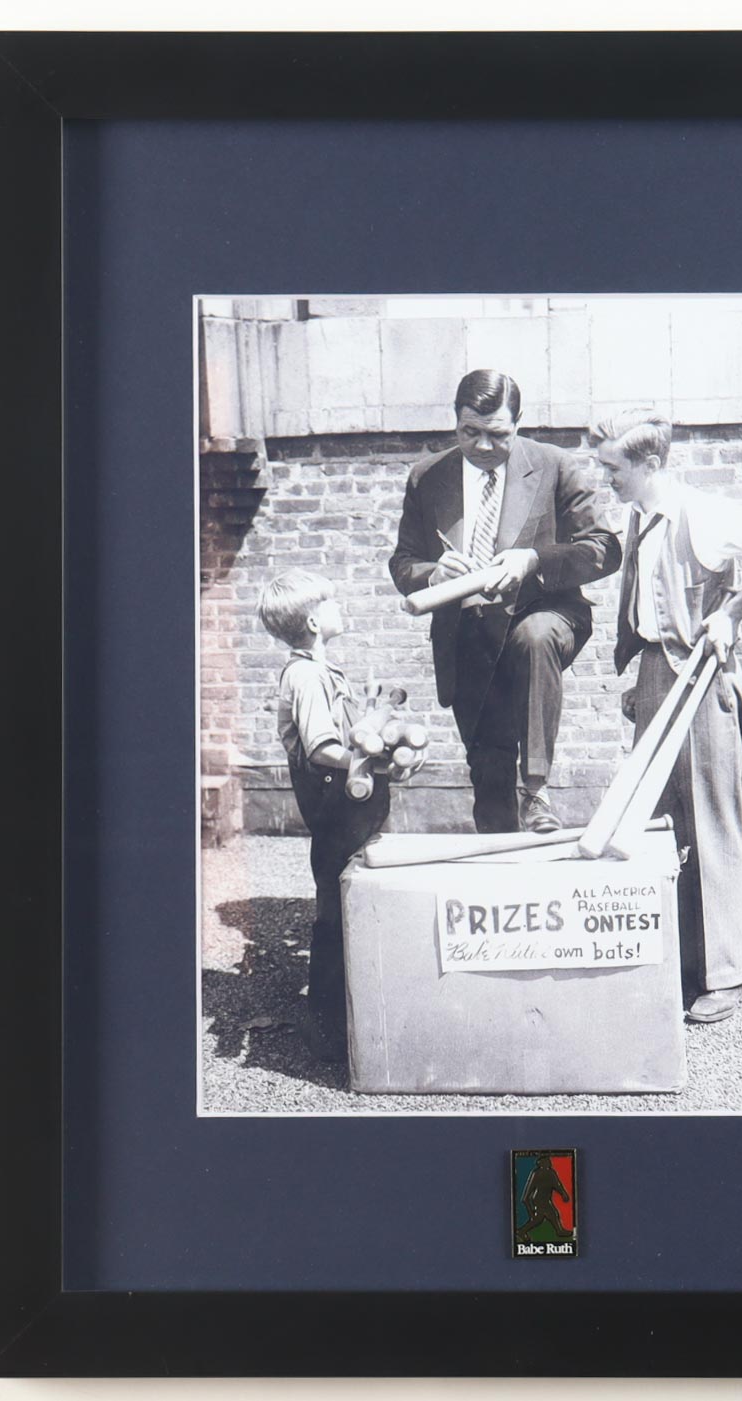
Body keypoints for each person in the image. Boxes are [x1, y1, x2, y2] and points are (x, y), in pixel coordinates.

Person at [590, 410, 742, 1024]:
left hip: (702, 678)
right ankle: (683, 965)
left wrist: (732, 613)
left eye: (613, 468)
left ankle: (725, 974)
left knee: (710, 820)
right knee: (664, 824)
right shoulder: (640, 518)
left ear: (649, 463)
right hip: (657, 675)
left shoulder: (703, 515)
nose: (606, 478)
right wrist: (643, 681)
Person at [390, 369, 621, 834]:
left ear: (518, 422)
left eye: (497, 434)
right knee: (490, 779)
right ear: (455, 421)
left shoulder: (554, 466)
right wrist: (432, 573)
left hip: (543, 612)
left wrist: (534, 559)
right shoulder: (427, 477)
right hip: (468, 636)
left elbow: (603, 548)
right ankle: (500, 855)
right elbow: (403, 562)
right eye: (469, 432)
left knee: (533, 638)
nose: (481, 445)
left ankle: (536, 789)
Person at [257, 568, 410, 1059]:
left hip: (353, 806)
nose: (340, 608)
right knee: (338, 913)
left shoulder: (325, 672)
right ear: (313, 622)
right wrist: (368, 762)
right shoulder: (304, 676)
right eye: (331, 603)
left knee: (356, 903)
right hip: (335, 808)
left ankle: (356, 1018)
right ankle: (326, 1032)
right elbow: (322, 749)